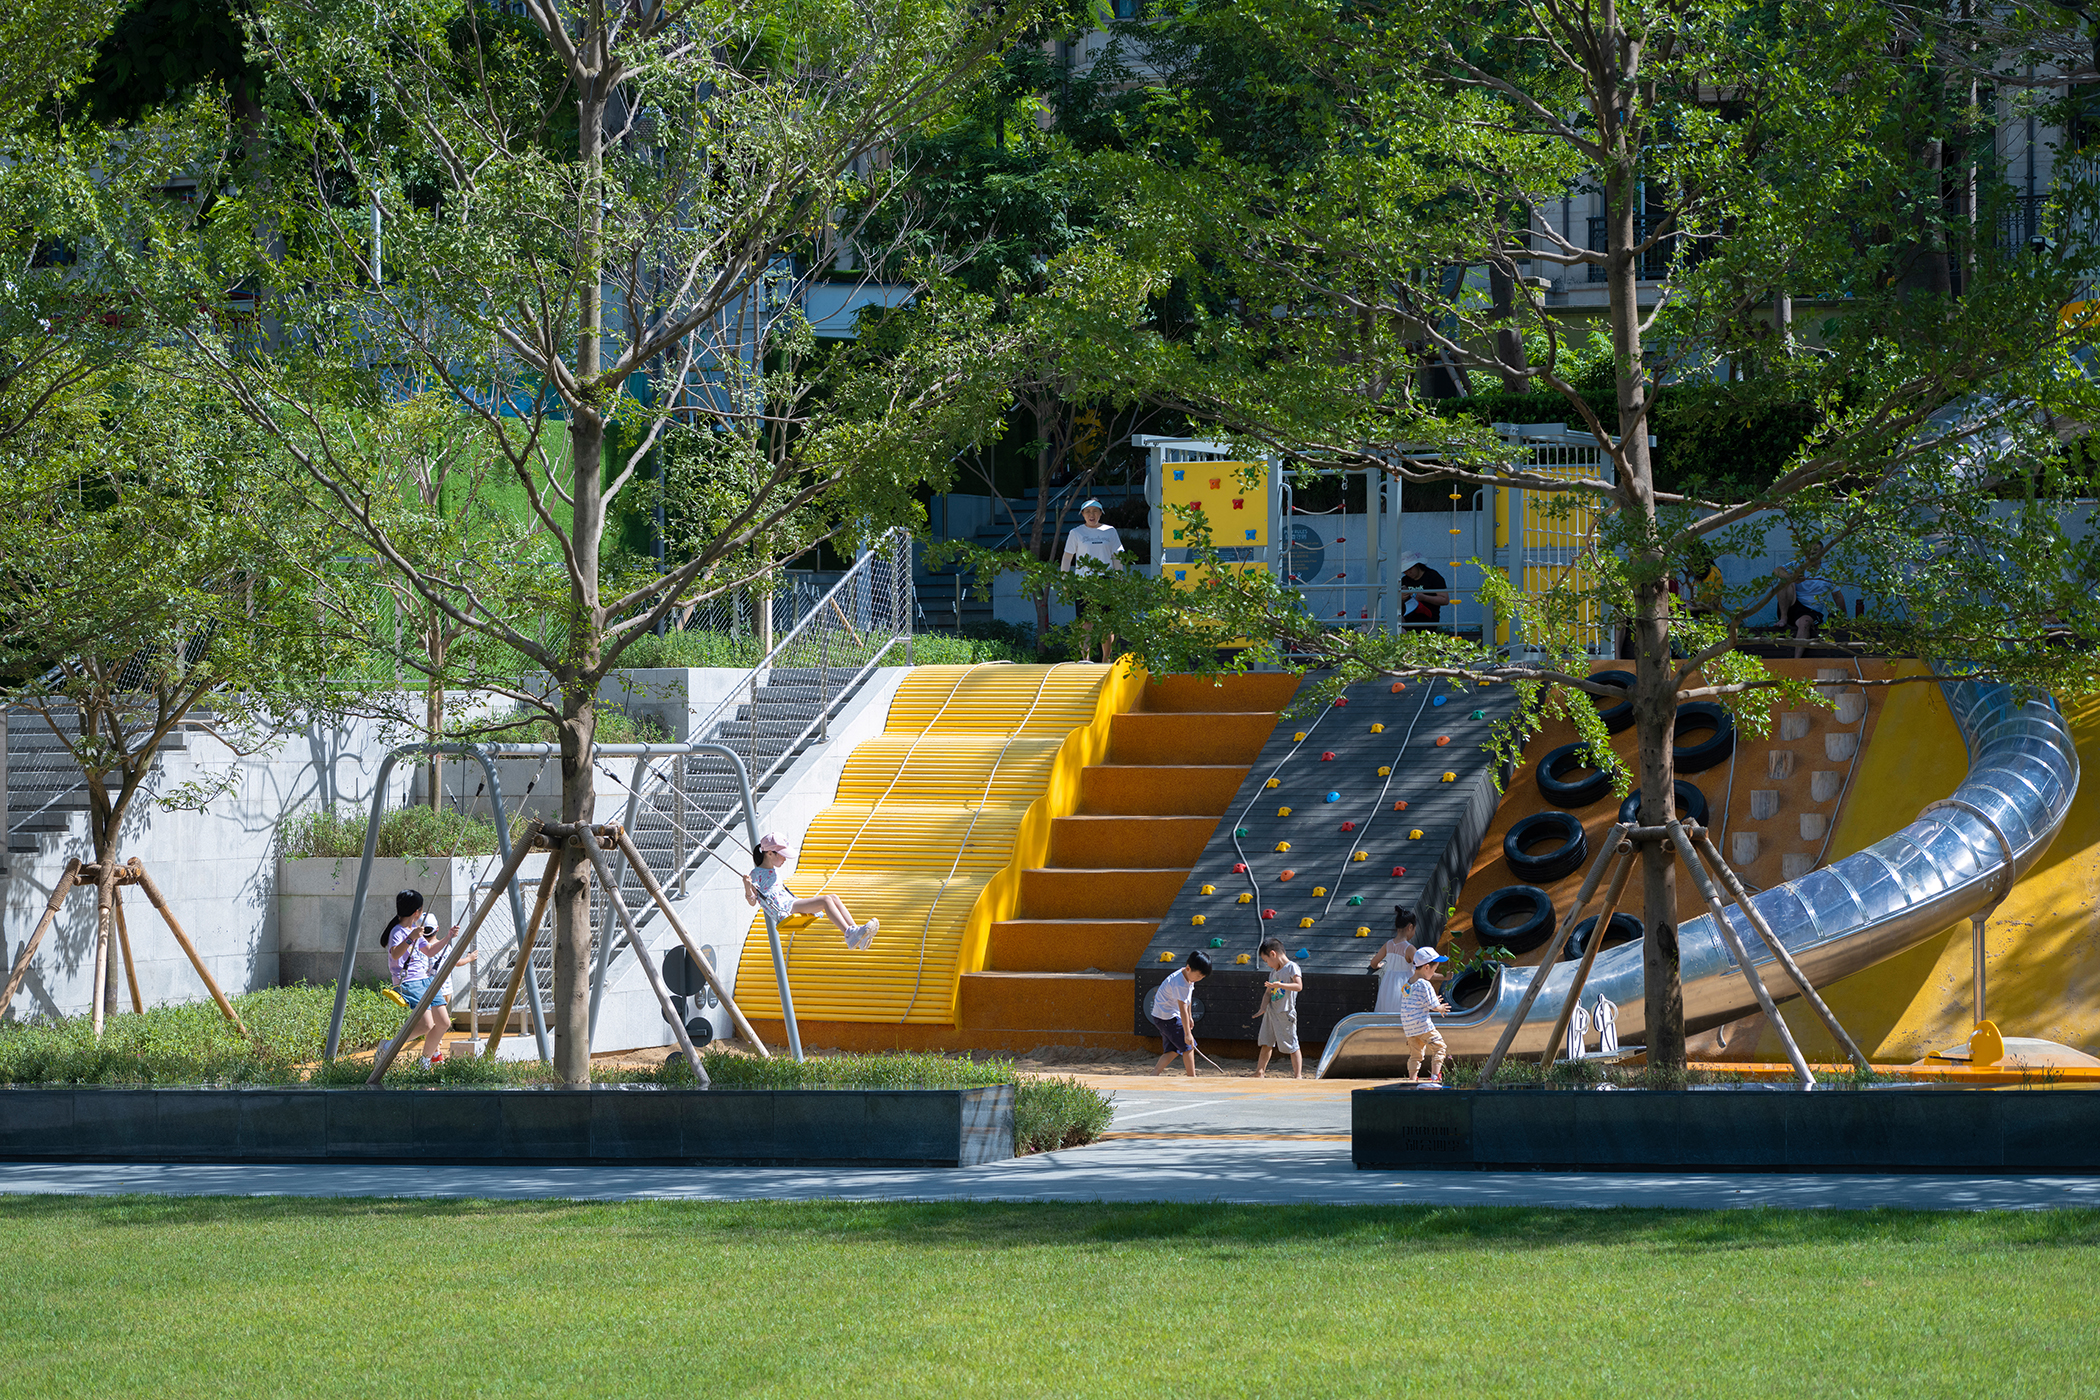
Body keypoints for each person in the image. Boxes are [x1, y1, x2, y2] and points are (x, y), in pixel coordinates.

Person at [380, 889, 472, 1069]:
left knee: (443, 1023)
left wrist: (448, 937)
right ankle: (389, 1046)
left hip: (424, 980)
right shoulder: (397, 932)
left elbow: (429, 951)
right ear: (417, 912)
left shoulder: (414, 930)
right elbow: (395, 955)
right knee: (426, 1024)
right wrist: (410, 938)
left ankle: (424, 1062)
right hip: (408, 982)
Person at [743, 832, 877, 949]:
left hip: (791, 903)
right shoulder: (755, 874)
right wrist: (747, 886)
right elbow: (753, 901)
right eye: (782, 855)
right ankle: (849, 934)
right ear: (770, 853)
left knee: (833, 897)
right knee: (826, 900)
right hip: (785, 909)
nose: (785, 859)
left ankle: (857, 933)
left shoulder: (773, 870)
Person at [1060, 498, 1125, 663]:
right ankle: (1085, 658)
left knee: (1106, 623)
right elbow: (1067, 558)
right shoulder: (1076, 533)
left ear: (1101, 513)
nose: (1092, 514)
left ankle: (1106, 659)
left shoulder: (1110, 531)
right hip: (1084, 581)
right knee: (1085, 623)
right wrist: (1065, 581)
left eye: (1095, 511)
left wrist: (1120, 579)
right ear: (1082, 514)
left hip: (1106, 581)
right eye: (1088, 511)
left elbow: (1117, 557)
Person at [1150, 950, 1212, 1077]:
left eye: (1202, 977)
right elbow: (1182, 1009)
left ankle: (1154, 1074)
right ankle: (1192, 1077)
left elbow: (1188, 999)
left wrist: (1190, 1017)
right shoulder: (1180, 983)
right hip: (1167, 1017)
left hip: (1163, 1016)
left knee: (1173, 1049)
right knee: (1189, 1046)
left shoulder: (1188, 976)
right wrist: (1188, 1034)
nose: (1199, 979)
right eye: (1198, 976)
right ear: (1188, 968)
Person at [1253, 938, 1304, 1079]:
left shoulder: (1291, 967)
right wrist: (1263, 1008)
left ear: (1273, 954)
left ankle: (1298, 1075)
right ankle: (1260, 1072)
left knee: (1292, 1045)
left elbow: (1299, 986)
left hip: (1285, 1012)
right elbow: (1268, 993)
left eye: (1266, 960)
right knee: (1266, 1042)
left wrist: (1280, 985)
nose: (1267, 964)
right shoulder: (1273, 972)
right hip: (1271, 1011)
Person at [1400, 945, 1451, 1084]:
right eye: (1434, 970)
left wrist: (1432, 1001)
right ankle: (1435, 1077)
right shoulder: (1425, 984)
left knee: (1415, 1055)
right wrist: (1440, 1007)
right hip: (1423, 1025)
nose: (1433, 974)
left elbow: (1414, 1002)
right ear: (1426, 967)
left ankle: (1412, 1079)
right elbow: (1433, 1005)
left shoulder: (1407, 983)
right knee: (1440, 1047)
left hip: (1409, 1028)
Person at [1779, 558, 1845, 658]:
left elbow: (1837, 596)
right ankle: (1783, 618)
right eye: (1810, 552)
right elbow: (1777, 570)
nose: (1812, 555)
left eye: (1815, 553)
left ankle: (1796, 661)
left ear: (1821, 554)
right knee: (1784, 581)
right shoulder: (1798, 564)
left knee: (1804, 623)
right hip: (1792, 605)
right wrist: (1792, 577)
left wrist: (1844, 617)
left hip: (1811, 611)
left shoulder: (1829, 571)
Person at [1369, 907, 1426, 1013]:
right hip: (1404, 985)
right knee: (1404, 1013)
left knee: (1386, 1012)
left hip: (1387, 985)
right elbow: (1423, 970)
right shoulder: (1410, 949)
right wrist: (1443, 977)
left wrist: (1377, 966)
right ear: (1410, 927)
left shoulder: (1388, 944)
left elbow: (1373, 963)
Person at [1398, 551, 1451, 628]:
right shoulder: (1404, 580)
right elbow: (1395, 603)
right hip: (1407, 618)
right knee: (1392, 622)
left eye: (1410, 569)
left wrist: (1424, 597)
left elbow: (1445, 600)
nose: (1408, 572)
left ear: (1417, 565)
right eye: (1405, 571)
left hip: (1428, 618)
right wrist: (1401, 597)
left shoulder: (1433, 576)